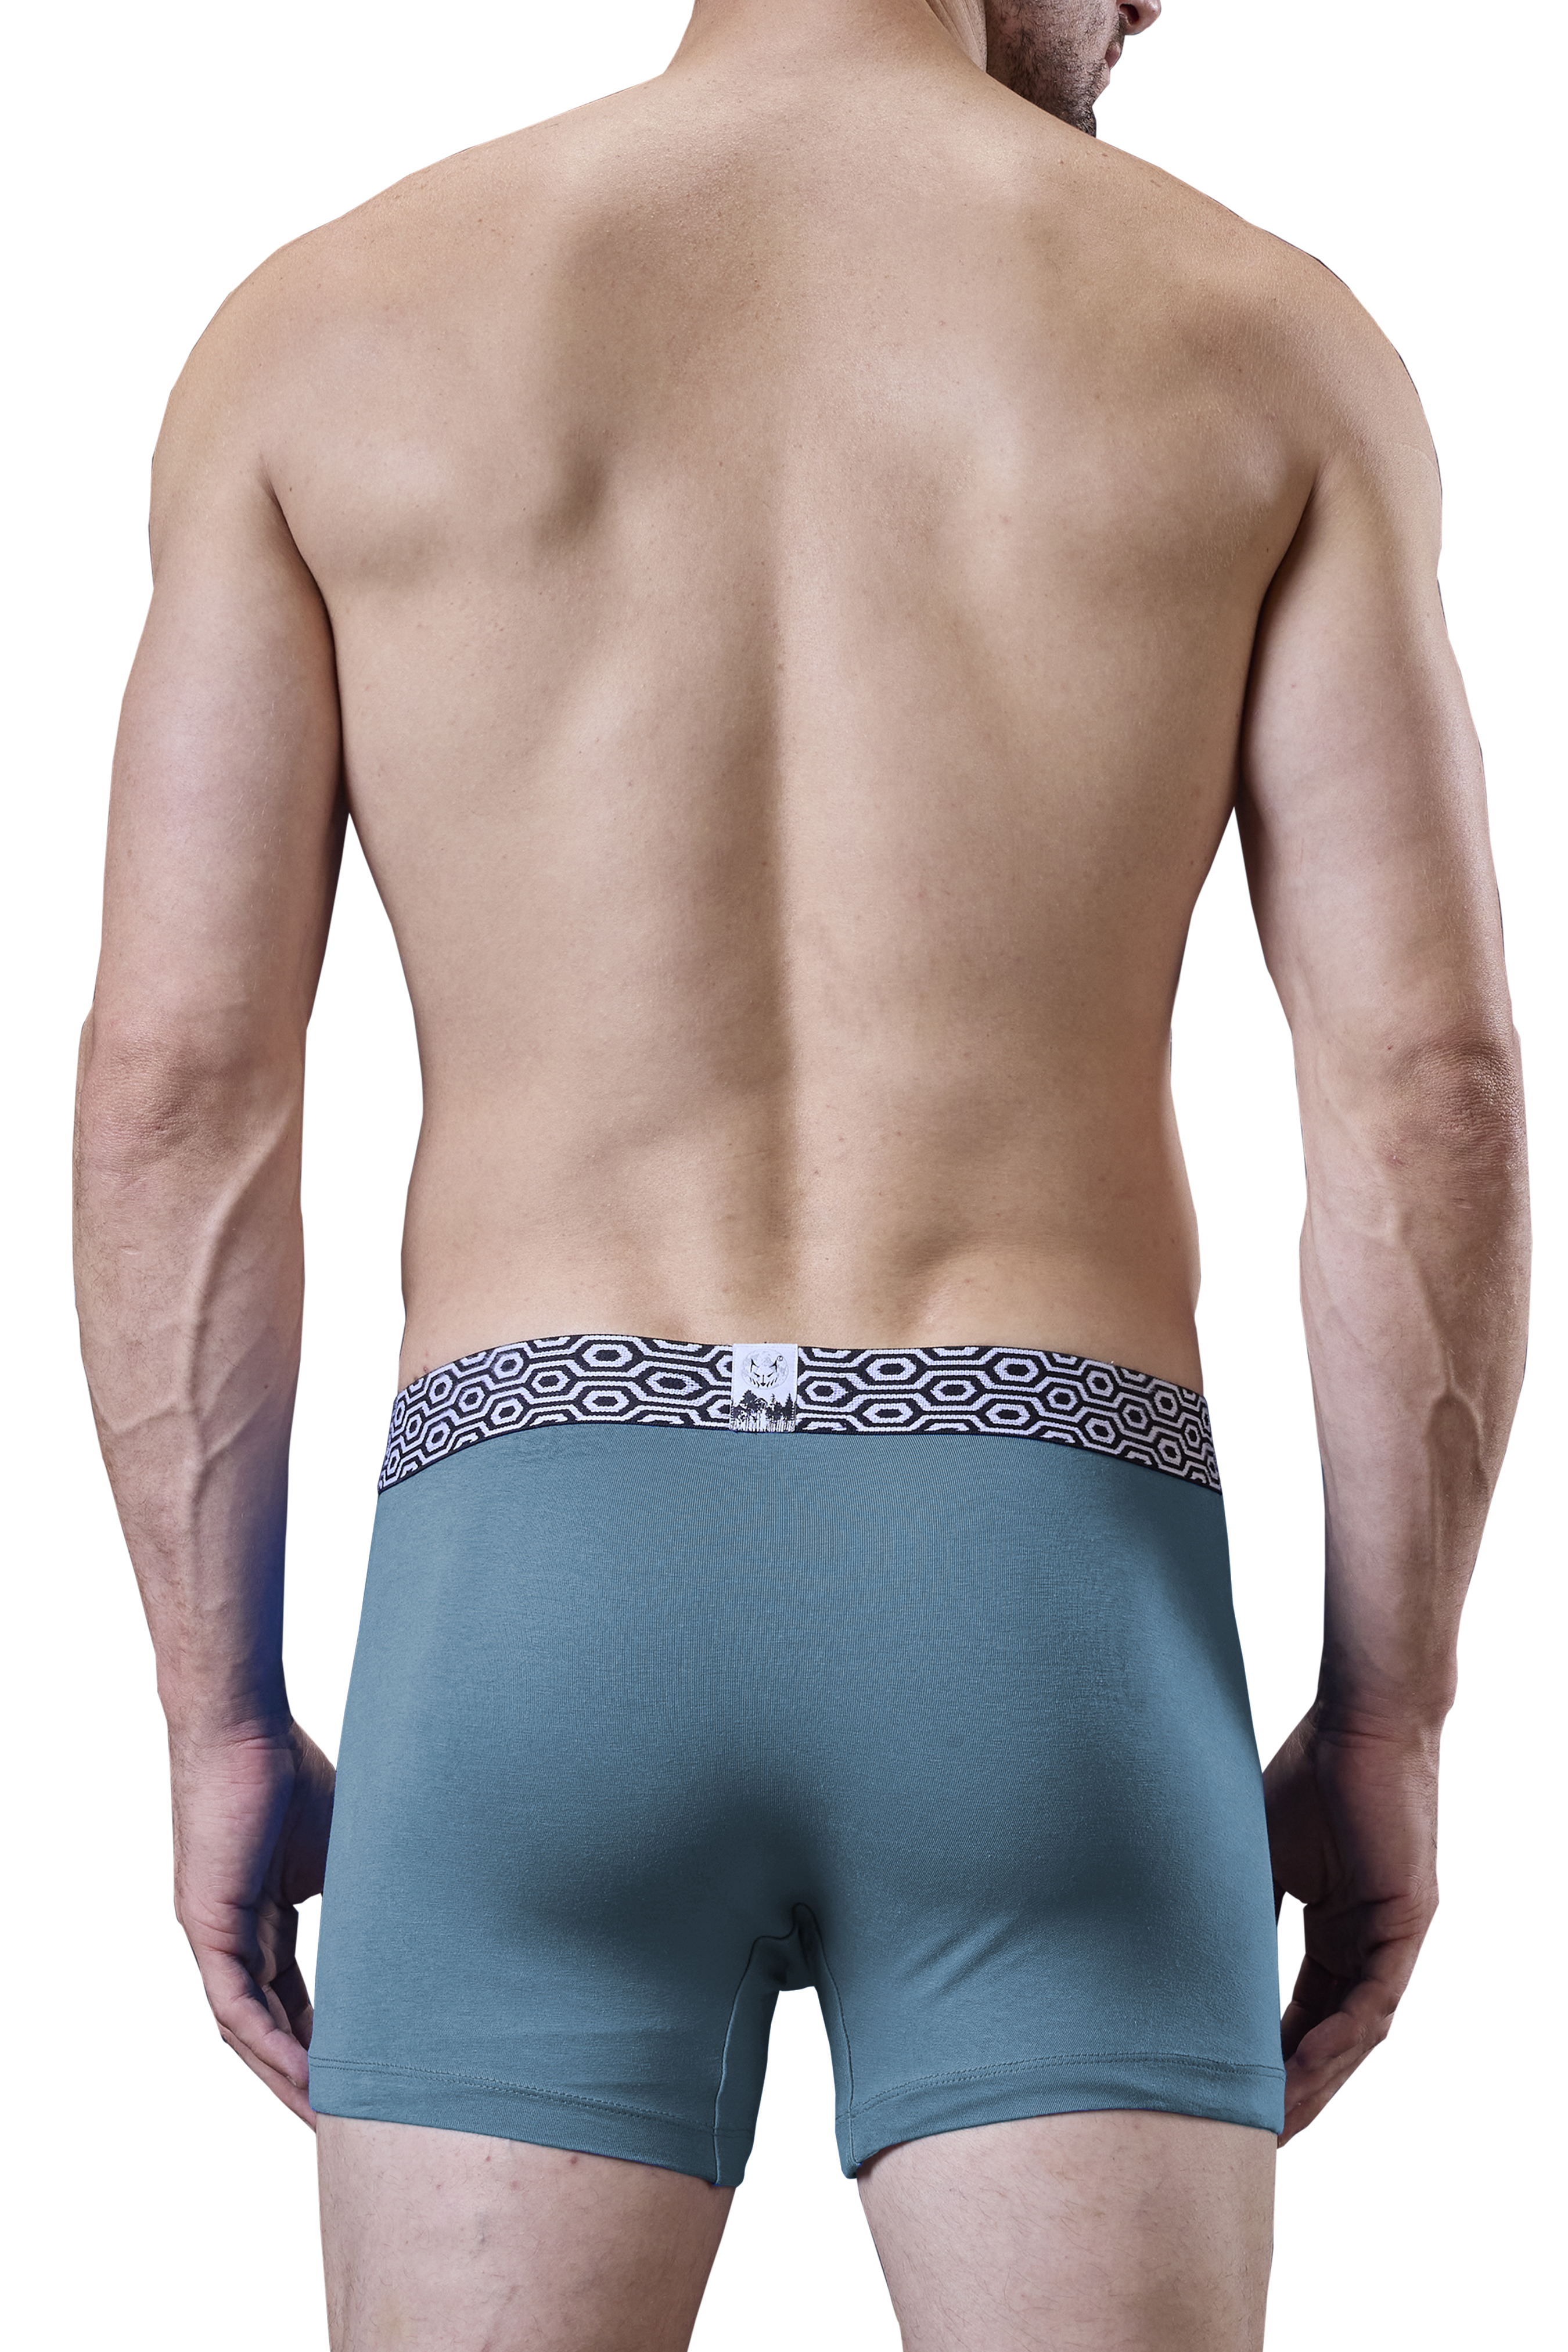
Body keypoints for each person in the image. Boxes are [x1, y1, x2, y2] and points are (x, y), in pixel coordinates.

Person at [73, 1, 1529, 2345]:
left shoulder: (321, 333)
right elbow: (1424, 1088)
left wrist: (213, 1708)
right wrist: (1391, 1709)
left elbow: (175, 1088)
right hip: (1051, 1588)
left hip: (525, 1582)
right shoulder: (1261, 339)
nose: (1159, 0)